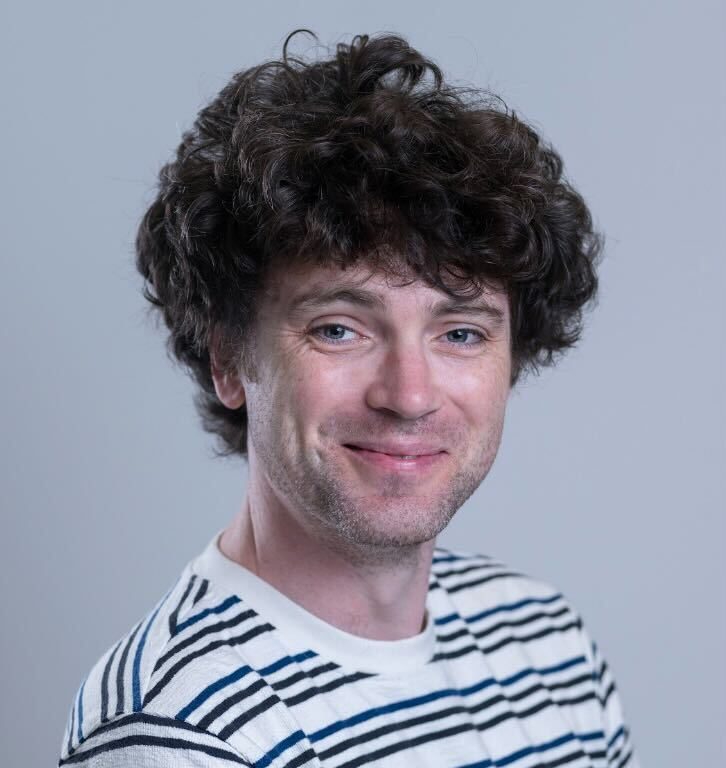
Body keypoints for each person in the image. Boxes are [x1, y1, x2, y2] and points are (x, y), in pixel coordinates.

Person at [58, 30, 639, 767]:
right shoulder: (179, 729)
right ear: (228, 358)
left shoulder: (550, 648)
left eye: (460, 333)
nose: (410, 395)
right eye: (339, 329)